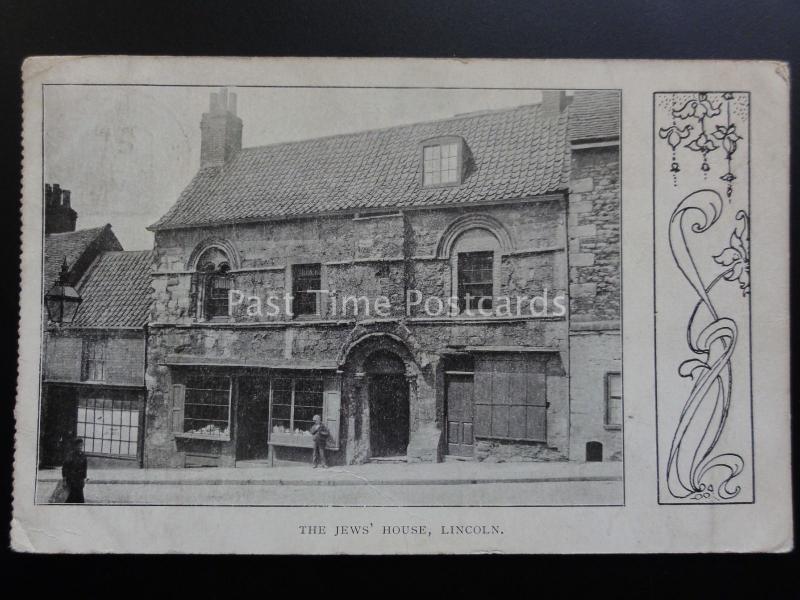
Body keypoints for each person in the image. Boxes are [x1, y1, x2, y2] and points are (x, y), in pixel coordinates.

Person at [62, 437, 88, 503]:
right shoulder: (70, 455)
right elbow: (65, 468)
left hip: (79, 480)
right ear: (75, 446)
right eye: (79, 445)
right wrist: (64, 480)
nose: (80, 447)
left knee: (76, 498)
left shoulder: (83, 455)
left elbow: (85, 468)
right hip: (72, 480)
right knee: (75, 497)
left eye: (81, 445)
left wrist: (84, 479)